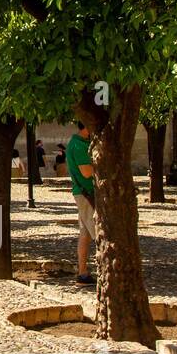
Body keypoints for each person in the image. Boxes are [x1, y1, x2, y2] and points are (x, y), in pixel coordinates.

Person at [66, 122, 96, 285]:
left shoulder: (81, 142)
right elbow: (86, 172)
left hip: (84, 193)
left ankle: (83, 273)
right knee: (97, 231)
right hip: (86, 194)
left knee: (85, 234)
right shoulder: (78, 145)